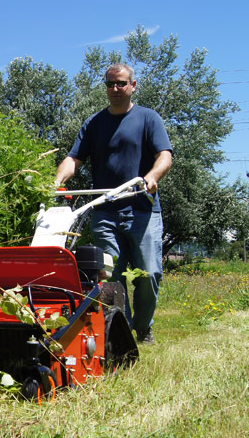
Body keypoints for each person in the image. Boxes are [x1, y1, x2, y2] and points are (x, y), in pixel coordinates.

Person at [55, 63, 172, 344]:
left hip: (142, 209)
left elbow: (165, 156)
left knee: (150, 273)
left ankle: (143, 327)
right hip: (105, 211)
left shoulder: (147, 118)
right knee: (110, 277)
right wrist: (57, 181)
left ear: (133, 85)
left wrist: (152, 176)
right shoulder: (94, 123)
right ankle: (121, 334)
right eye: (110, 84)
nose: (115, 89)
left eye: (121, 83)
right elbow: (74, 159)